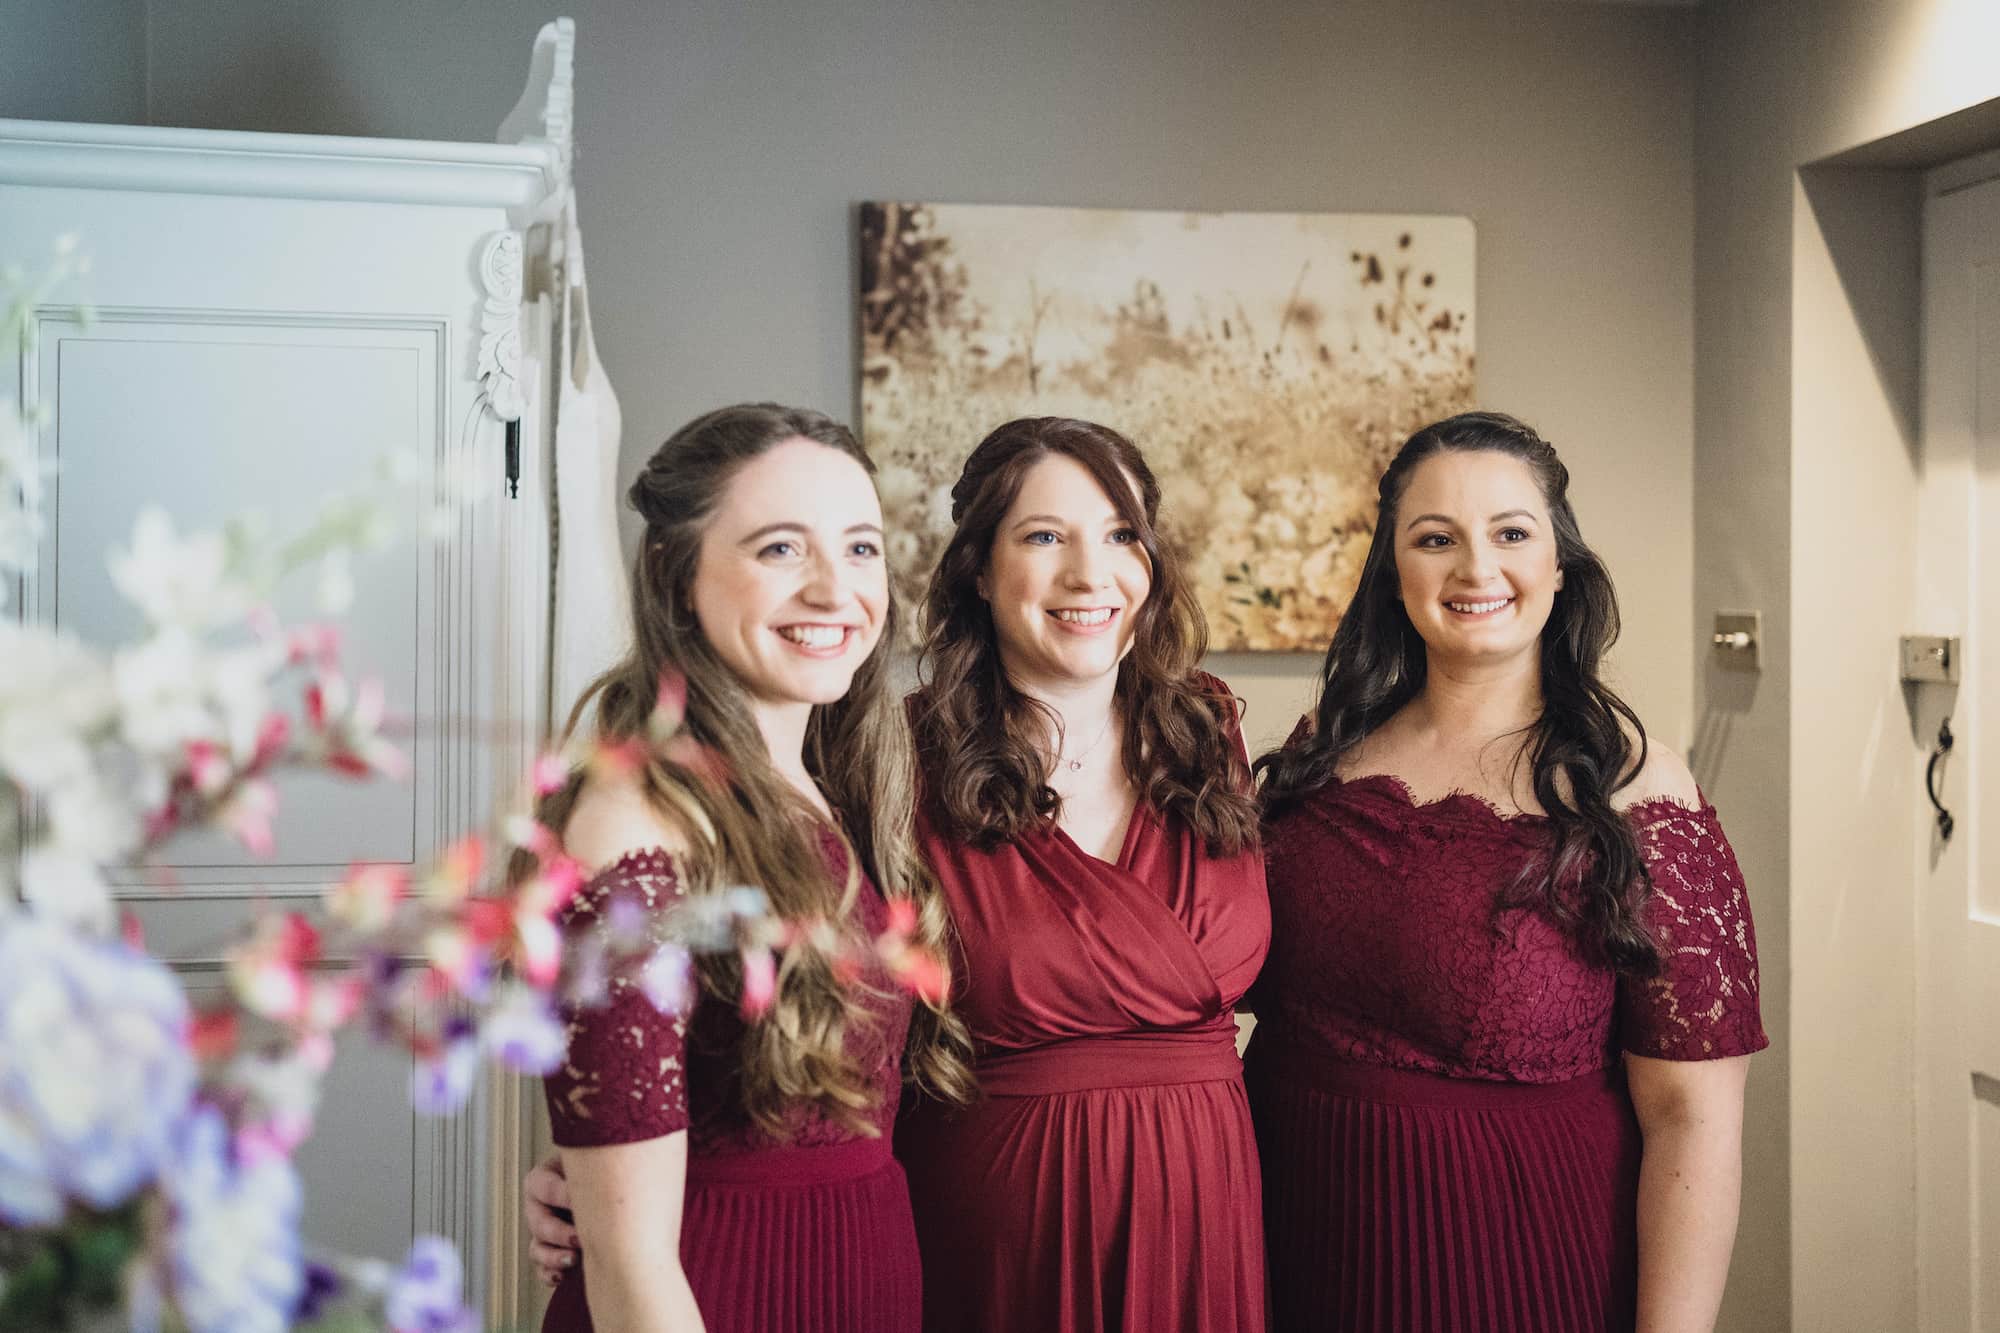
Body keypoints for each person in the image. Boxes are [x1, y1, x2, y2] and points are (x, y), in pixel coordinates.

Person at [1248, 411, 1767, 1332]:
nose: (1475, 569)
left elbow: (1694, 1121)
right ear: (1394, 571)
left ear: (1559, 566)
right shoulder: (1322, 757)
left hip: (1514, 1264)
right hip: (1287, 1245)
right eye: (1435, 537)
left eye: (1512, 534)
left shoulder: (1634, 790)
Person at [534, 403, 972, 1333]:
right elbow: (629, 1254)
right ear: (675, 571)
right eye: (781, 549)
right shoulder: (632, 822)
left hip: (861, 1279)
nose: (834, 589)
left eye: (860, 549)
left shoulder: (833, 787)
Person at [893, 416, 1269, 1333]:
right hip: (999, 1236)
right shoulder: (899, 757)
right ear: (979, 570)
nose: (1088, 574)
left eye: (1119, 535)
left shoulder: (1208, 733)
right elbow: (810, 1006)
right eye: (1044, 537)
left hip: (1207, 1217)